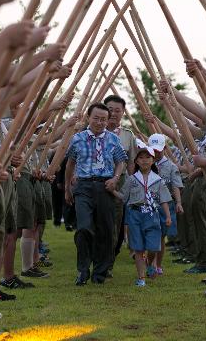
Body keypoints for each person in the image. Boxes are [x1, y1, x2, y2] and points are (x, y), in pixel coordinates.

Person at [65, 103, 128, 285]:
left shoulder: (113, 139)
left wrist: (115, 179)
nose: (100, 122)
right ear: (88, 118)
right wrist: (68, 189)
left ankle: (100, 272)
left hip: (105, 187)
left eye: (103, 119)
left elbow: (120, 162)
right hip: (83, 186)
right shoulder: (78, 139)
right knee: (84, 227)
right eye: (96, 118)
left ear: (108, 121)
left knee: (106, 231)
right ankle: (83, 269)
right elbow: (70, 164)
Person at [114, 147, 172, 286]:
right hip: (135, 214)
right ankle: (141, 278)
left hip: (152, 215)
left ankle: (150, 263)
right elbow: (123, 197)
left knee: (154, 247)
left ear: (153, 160)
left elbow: (164, 199)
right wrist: (112, 192)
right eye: (141, 158)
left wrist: (168, 216)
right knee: (138, 248)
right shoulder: (132, 179)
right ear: (136, 162)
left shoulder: (158, 180)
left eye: (148, 157)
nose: (144, 160)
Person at [104, 95, 137, 271]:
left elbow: (131, 162)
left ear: (123, 113)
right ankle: (97, 259)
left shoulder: (127, 135)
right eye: (110, 109)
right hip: (97, 180)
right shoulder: (94, 131)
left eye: (118, 110)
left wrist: (132, 185)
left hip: (120, 181)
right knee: (97, 222)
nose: (113, 114)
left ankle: (108, 263)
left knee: (116, 223)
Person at [147, 134, 183, 276]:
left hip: (164, 206)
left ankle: (157, 265)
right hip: (148, 205)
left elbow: (176, 186)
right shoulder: (144, 163)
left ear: (164, 148)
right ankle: (149, 262)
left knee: (160, 236)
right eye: (153, 150)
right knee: (150, 235)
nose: (156, 153)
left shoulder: (170, 166)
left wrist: (179, 202)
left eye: (158, 150)